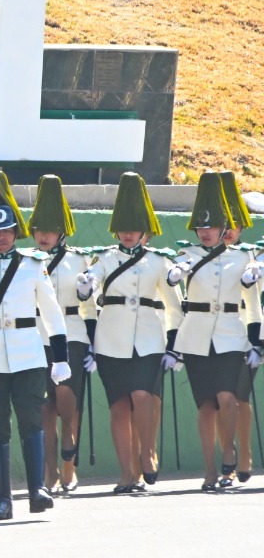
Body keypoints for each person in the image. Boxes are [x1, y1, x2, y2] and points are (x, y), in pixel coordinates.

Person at [0, 182, 70, 522]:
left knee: (31, 419)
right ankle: (2, 499)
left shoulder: (32, 264)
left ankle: (37, 489)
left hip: (27, 354)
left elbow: (51, 312)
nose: (1, 238)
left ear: (15, 233)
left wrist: (60, 357)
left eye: (7, 231)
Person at [78, 172, 183, 494]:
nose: (127, 233)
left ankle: (147, 453)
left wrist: (174, 345)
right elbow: (90, 285)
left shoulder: (158, 261)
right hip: (111, 341)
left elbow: (175, 306)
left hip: (148, 340)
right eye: (123, 228)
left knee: (143, 396)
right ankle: (127, 473)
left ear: (145, 231)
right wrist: (85, 286)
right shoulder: (105, 258)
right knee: (119, 407)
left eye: (134, 228)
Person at [167, 171, 262, 492]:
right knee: (206, 405)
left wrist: (256, 343)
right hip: (195, 338)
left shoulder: (244, 257)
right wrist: (176, 273)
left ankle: (230, 453)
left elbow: (253, 303)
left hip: (231, 336)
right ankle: (210, 469)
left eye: (211, 227)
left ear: (224, 228)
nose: (205, 232)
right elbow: (173, 285)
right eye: (200, 227)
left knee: (228, 397)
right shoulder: (187, 255)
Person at [25, 176, 94, 494]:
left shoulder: (78, 259)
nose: (43, 236)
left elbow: (89, 304)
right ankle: (50, 472)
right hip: (36, 335)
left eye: (50, 230)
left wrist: (93, 342)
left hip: (71, 332)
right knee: (43, 409)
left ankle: (69, 452)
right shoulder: (26, 261)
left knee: (66, 394)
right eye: (39, 229)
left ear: (62, 232)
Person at [219, 171, 260, 483]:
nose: (228, 230)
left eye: (234, 224)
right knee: (220, 399)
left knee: (240, 396)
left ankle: (243, 453)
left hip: (247, 332)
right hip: (216, 334)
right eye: (223, 223)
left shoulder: (253, 256)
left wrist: (258, 342)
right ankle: (228, 454)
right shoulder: (203, 257)